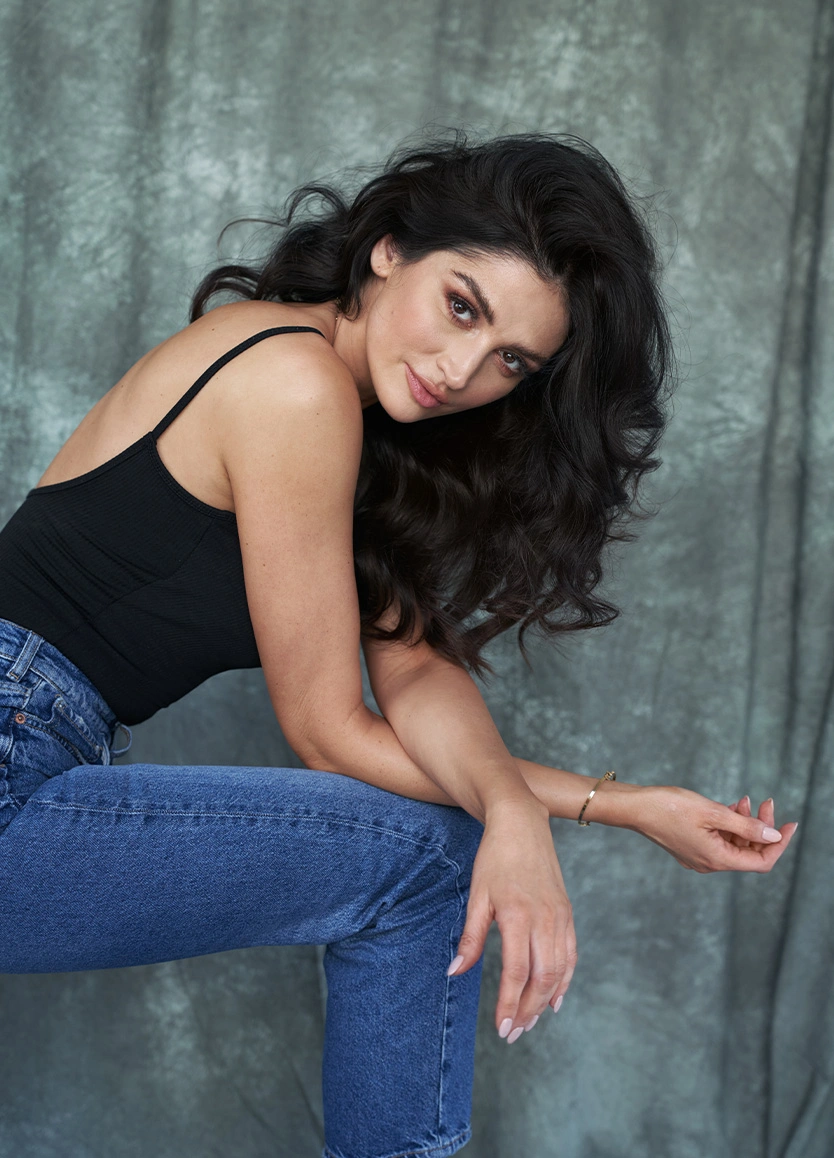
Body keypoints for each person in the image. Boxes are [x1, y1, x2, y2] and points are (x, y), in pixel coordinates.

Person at [0, 131, 797, 1158]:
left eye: (511, 359)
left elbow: (417, 670)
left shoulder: (355, 433)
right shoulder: (292, 382)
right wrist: (510, 812)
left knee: (440, 842)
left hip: (40, 748)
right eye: (462, 304)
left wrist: (624, 804)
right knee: (429, 858)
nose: (464, 368)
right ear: (386, 248)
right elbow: (330, 731)